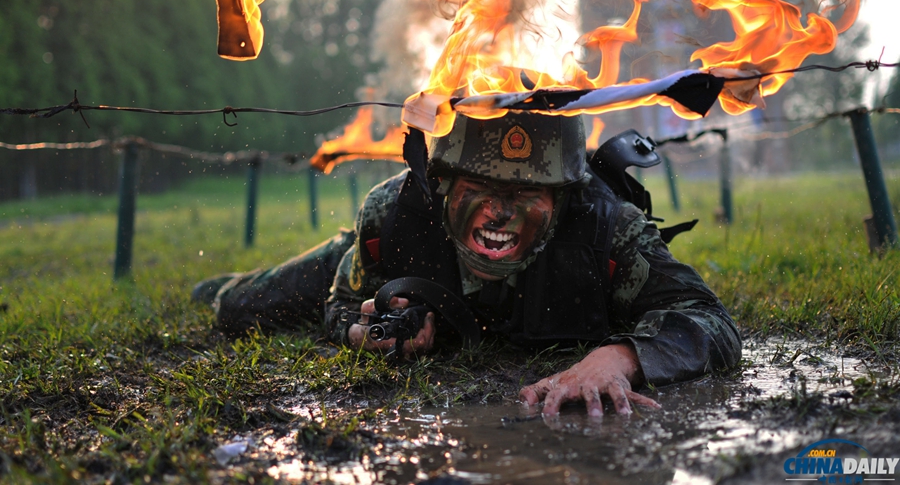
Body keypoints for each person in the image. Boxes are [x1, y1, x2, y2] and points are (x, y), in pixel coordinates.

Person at [193, 112, 741, 416]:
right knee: (234, 307)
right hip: (369, 262)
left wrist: (619, 358)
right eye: (479, 187)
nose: (500, 210)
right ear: (443, 185)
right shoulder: (392, 215)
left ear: (564, 198)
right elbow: (341, 304)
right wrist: (367, 333)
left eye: (529, 191)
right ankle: (215, 282)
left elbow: (709, 319)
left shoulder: (607, 228)